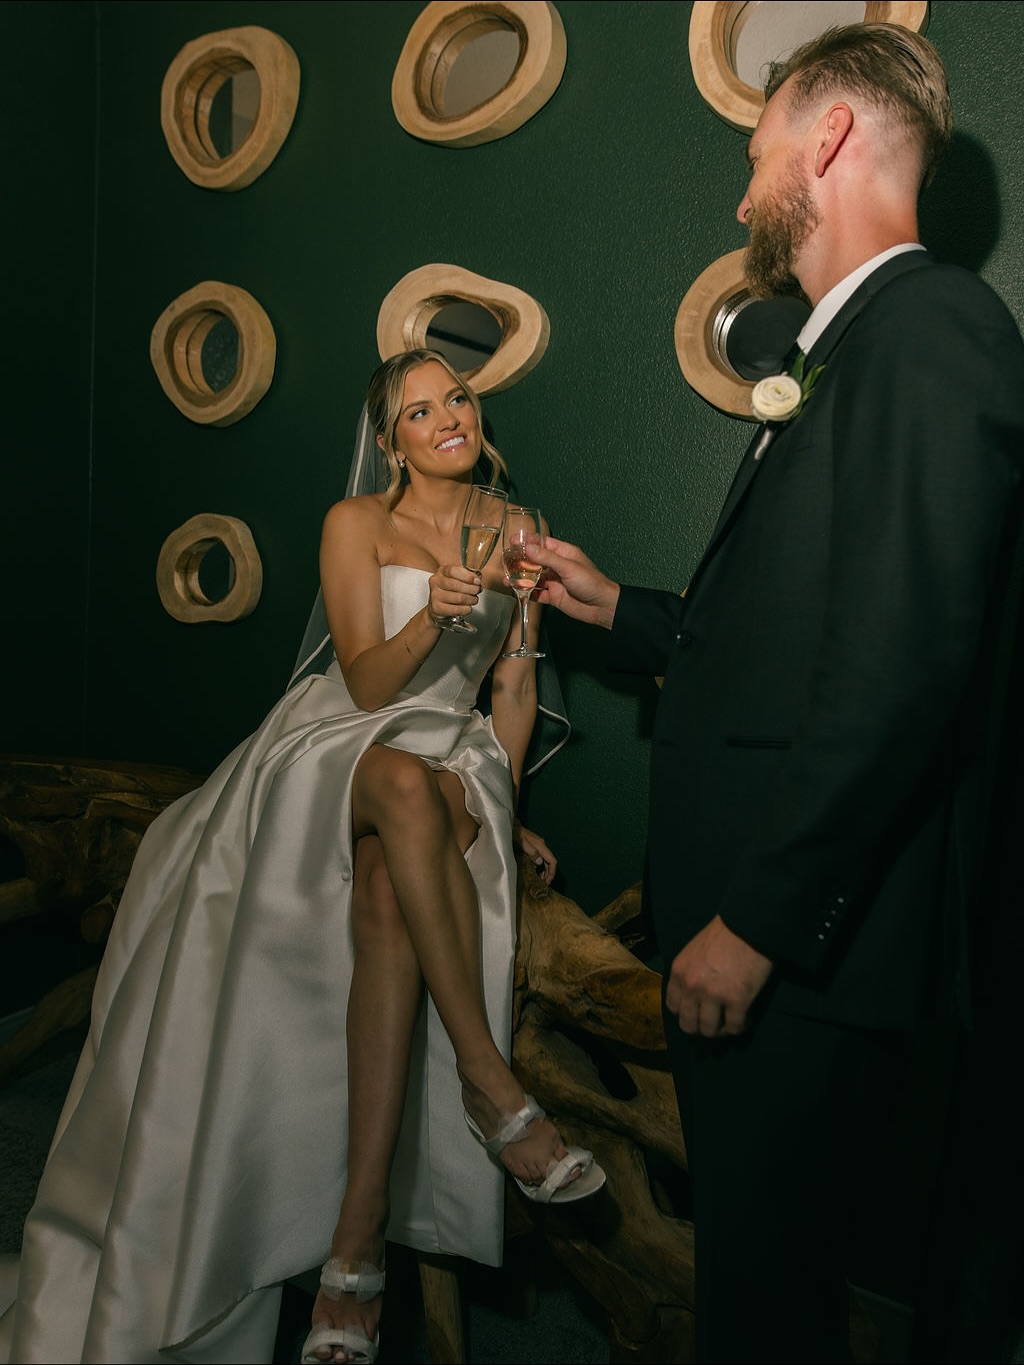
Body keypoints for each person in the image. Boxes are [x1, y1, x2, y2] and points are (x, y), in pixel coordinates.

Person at [527, 23, 1024, 1364]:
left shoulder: (931, 329)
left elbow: (907, 661)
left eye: (756, 156)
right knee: (755, 1282)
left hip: (802, 953)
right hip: (768, 934)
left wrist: (760, 920)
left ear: (831, 134)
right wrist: (614, 609)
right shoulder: (851, 347)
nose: (744, 197)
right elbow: (803, 634)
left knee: (769, 1309)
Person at [0, 348, 604, 1365]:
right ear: (391, 441)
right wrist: (436, 615)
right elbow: (366, 686)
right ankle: (488, 1081)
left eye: (457, 398)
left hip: (453, 755)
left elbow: (511, 689)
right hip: (343, 743)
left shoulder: (518, 527)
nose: (448, 418)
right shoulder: (354, 522)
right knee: (396, 782)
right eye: (420, 411)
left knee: (390, 881)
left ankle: (352, 1252)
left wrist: (501, 808)